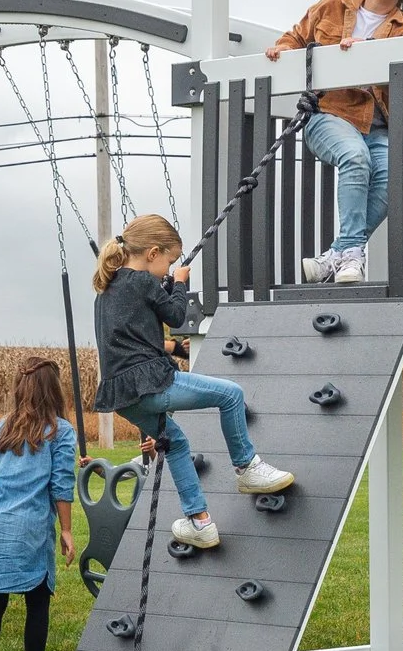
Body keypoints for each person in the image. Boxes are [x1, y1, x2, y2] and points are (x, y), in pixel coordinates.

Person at [92, 214, 293, 551]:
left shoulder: (108, 290)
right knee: (231, 395)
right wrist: (180, 283)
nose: (170, 269)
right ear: (153, 253)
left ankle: (199, 522)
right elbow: (175, 316)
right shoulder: (142, 282)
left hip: (123, 397)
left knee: (175, 443)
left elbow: (141, 323)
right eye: (169, 262)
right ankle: (247, 468)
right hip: (150, 385)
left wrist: (167, 287)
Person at [265, 0, 403, 284]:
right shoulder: (333, 5)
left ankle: (337, 255)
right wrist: (284, 50)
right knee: (355, 157)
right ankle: (351, 254)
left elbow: (398, 70)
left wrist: (366, 51)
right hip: (331, 113)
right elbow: (295, 37)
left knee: (393, 179)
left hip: (378, 123)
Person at [0, 358, 77, 651]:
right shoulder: (60, 431)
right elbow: (61, 485)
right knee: (38, 600)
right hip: (31, 525)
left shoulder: (2, 427)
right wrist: (66, 530)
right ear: (53, 389)